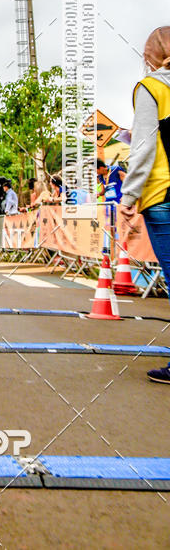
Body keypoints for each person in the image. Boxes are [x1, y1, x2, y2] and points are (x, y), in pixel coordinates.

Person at [117, 26, 170, 385]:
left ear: (149, 55)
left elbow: (144, 147)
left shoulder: (151, 87)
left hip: (163, 194)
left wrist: (129, 196)